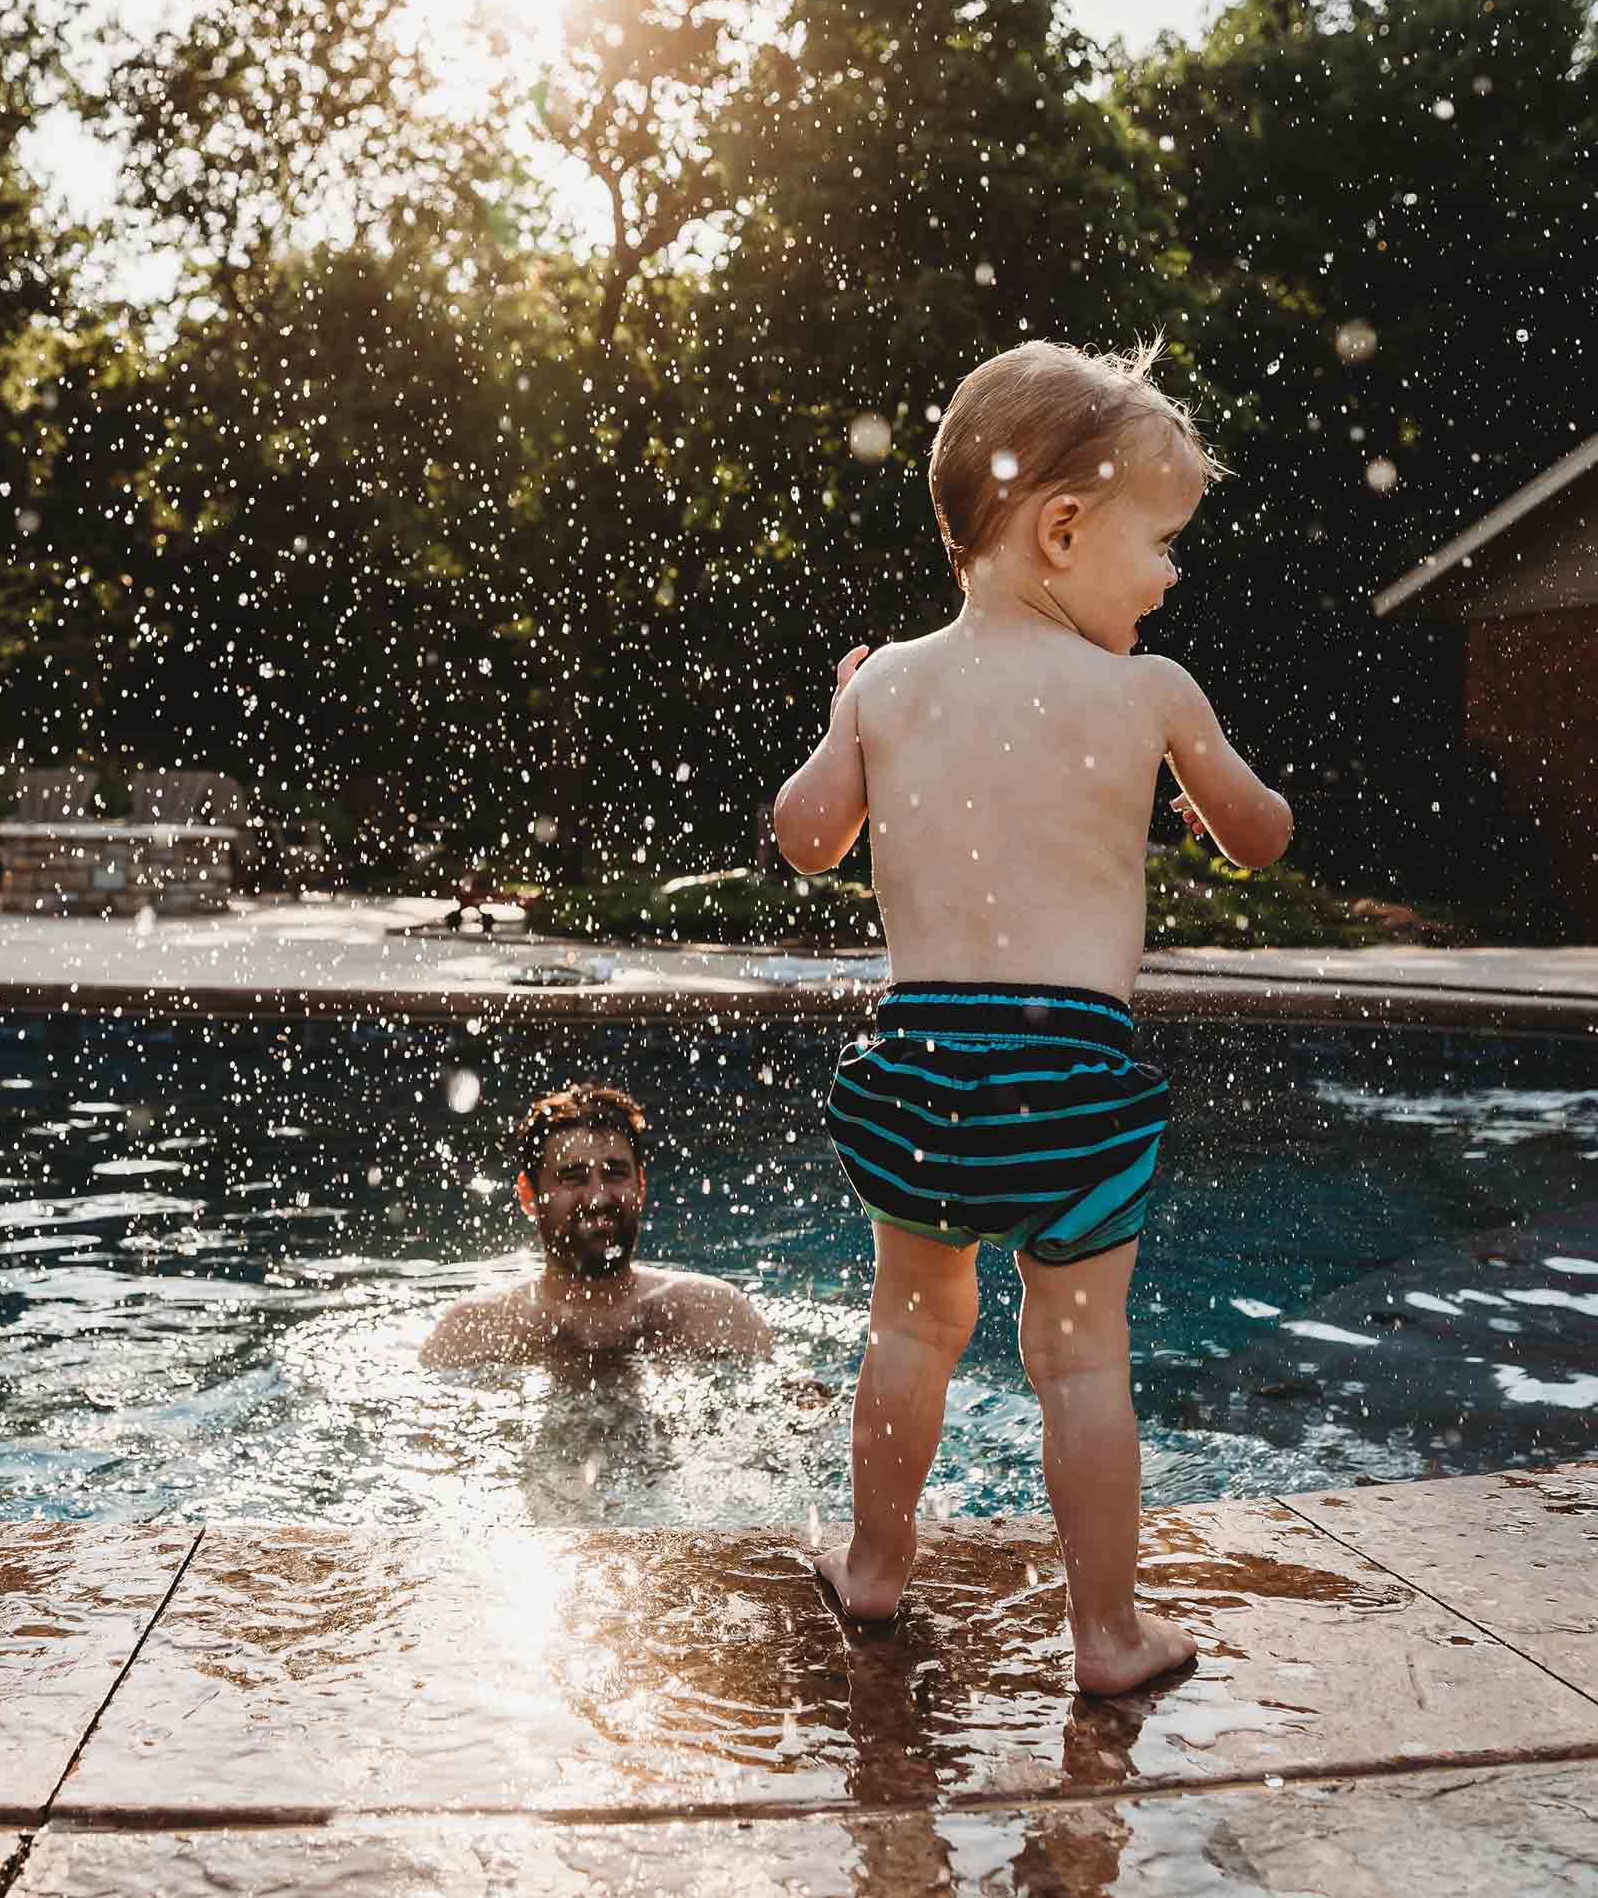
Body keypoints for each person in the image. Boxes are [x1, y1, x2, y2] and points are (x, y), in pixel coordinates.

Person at [774, 338, 1292, 1694]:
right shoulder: (1149, 692)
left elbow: (808, 840)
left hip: (921, 1068)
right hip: (1075, 1079)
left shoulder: (887, 685)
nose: (1171, 574)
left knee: (909, 1328)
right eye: (1162, 541)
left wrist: (843, 721)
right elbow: (1263, 835)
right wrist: (1204, 797)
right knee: (1078, 1360)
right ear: (1064, 529)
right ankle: (1108, 1637)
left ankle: (879, 1569)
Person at [420, 1081, 774, 1366]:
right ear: (528, 1196)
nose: (597, 1198)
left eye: (615, 1174)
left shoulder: (714, 1312)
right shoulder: (474, 1330)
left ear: (641, 1186)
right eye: (572, 1178)